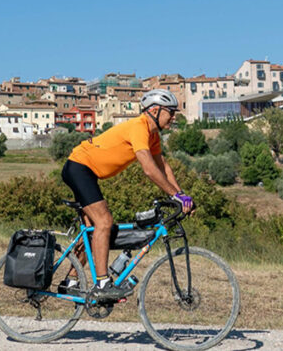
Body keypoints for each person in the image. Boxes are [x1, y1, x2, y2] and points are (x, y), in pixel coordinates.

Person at [58, 89, 193, 299]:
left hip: (87, 171)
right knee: (104, 222)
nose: (174, 117)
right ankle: (102, 284)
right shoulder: (139, 127)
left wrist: (181, 194)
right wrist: (175, 196)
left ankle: (71, 280)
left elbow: (162, 166)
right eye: (171, 112)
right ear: (155, 110)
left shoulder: (152, 135)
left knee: (95, 231)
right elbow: (149, 169)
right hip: (79, 167)